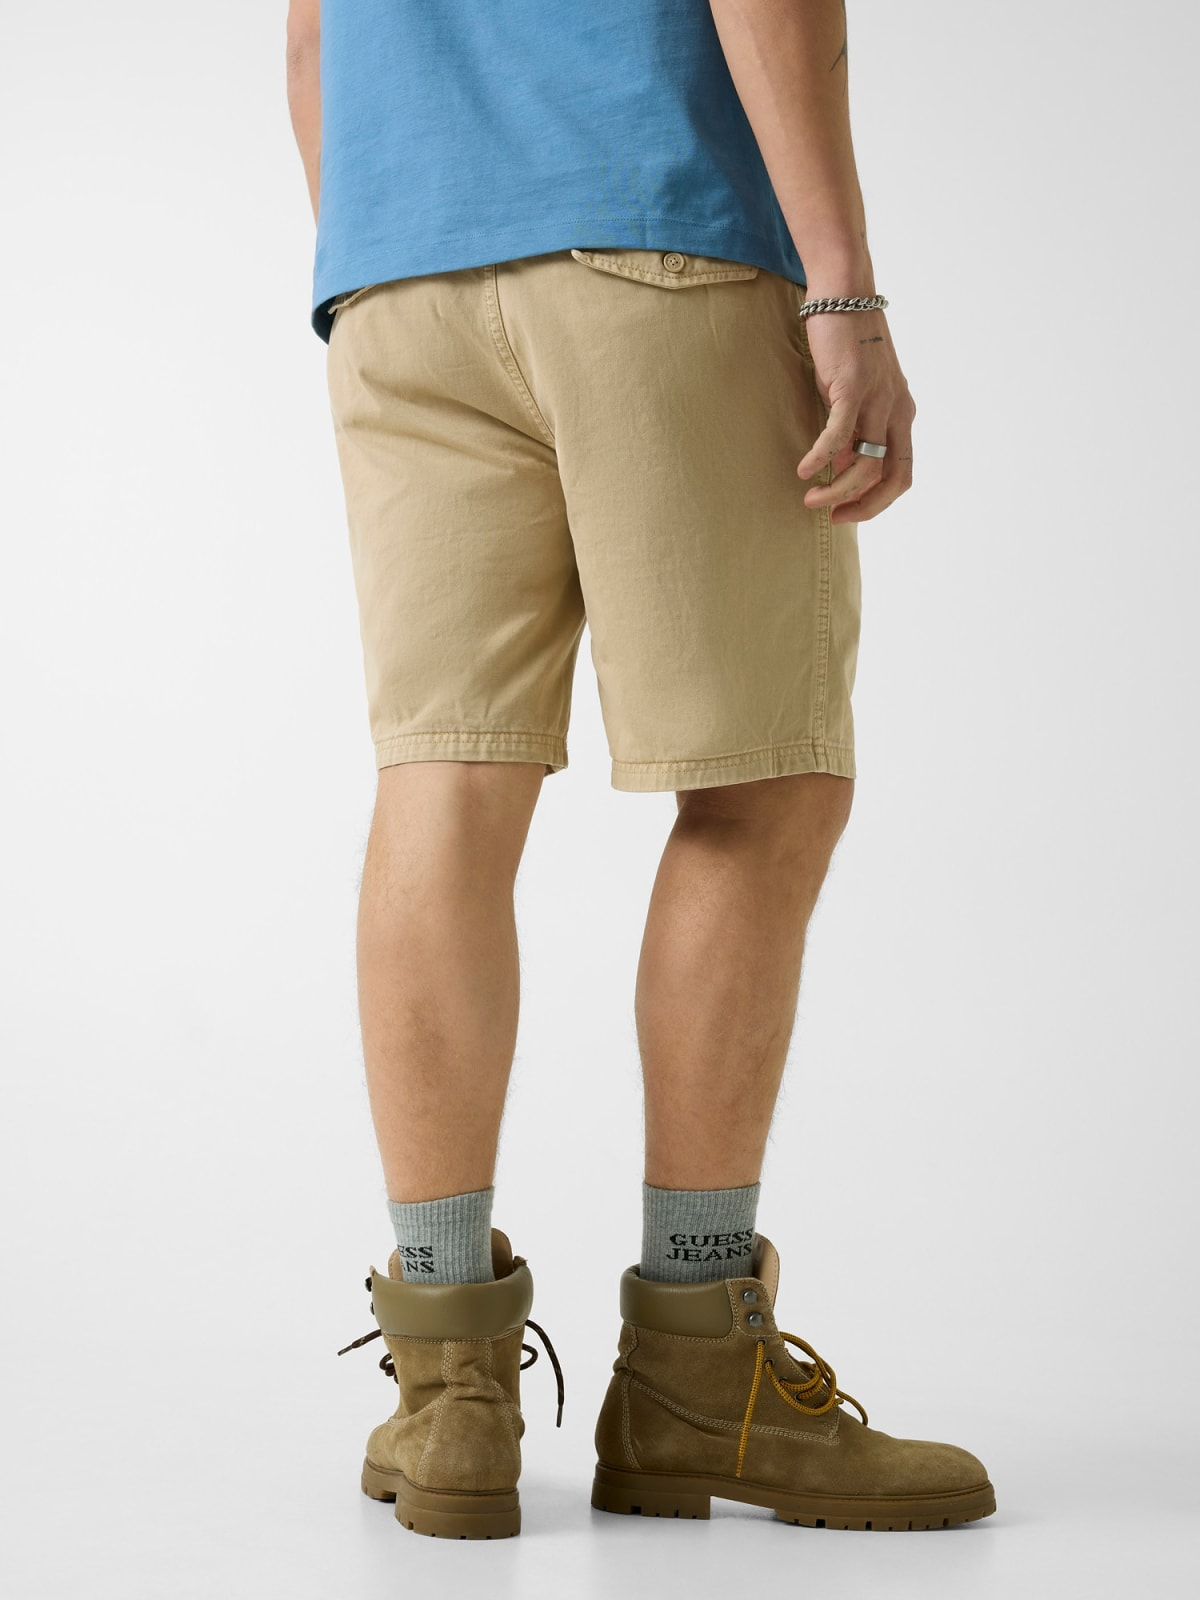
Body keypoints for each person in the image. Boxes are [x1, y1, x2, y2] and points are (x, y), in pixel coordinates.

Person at [285, 0, 994, 1541]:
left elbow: (311, 35)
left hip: (395, 264)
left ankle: (449, 1392)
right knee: (759, 784)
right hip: (648, 222)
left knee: (442, 781)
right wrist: (843, 290)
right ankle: (694, 1365)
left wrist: (396, 245)